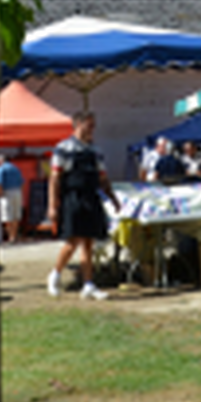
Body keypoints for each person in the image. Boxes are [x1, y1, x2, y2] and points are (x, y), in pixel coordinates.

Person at [46, 111, 122, 300]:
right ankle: (54, 275)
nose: (92, 129)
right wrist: (52, 205)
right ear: (78, 124)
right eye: (90, 125)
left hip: (91, 198)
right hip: (72, 197)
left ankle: (88, 285)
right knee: (73, 241)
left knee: (88, 243)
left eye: (93, 125)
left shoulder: (95, 151)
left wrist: (113, 198)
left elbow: (103, 177)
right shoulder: (63, 148)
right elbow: (54, 179)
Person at [0, 155, 24, 244]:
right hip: (17, 192)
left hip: (7, 193)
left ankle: (10, 237)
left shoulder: (1, 169)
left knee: (7, 216)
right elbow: (22, 182)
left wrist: (0, 194)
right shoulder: (16, 168)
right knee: (16, 215)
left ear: (1, 160)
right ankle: (14, 236)